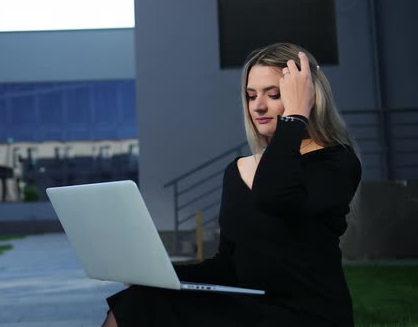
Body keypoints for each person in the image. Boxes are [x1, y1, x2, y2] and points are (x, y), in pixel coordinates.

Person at [102, 43, 362, 327]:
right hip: (251, 308)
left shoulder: (337, 162)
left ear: (307, 96)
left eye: (275, 95)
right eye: (251, 96)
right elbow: (227, 266)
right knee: (137, 301)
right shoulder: (238, 170)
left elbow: (272, 196)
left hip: (308, 314)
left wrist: (295, 116)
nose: (258, 106)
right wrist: (157, 276)